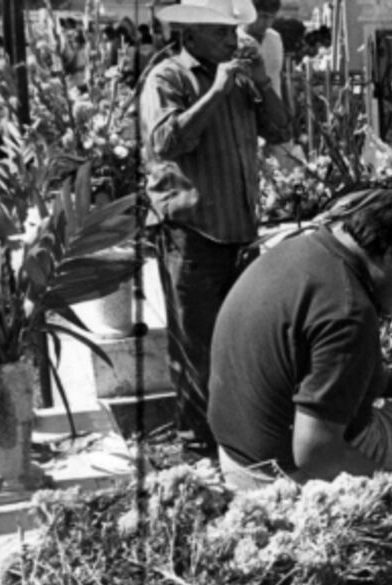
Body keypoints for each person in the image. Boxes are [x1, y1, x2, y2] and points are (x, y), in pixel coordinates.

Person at [208, 189, 392, 515]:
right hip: (283, 483)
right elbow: (315, 451)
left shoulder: (301, 250)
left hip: (236, 457)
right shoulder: (348, 310)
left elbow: (302, 369)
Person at [141, 0, 289, 452]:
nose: (234, 41)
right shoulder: (167, 77)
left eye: (233, 33)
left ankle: (242, 434)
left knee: (244, 340)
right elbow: (167, 141)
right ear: (191, 35)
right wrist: (217, 92)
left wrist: (261, 80)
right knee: (197, 346)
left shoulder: (241, 75)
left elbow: (281, 131)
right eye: (222, 33)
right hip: (194, 233)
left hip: (239, 230)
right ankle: (199, 443)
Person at [239, 0, 284, 99]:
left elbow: (278, 75)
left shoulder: (275, 38)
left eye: (272, 17)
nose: (267, 23)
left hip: (273, 105)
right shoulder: (236, 39)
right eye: (263, 16)